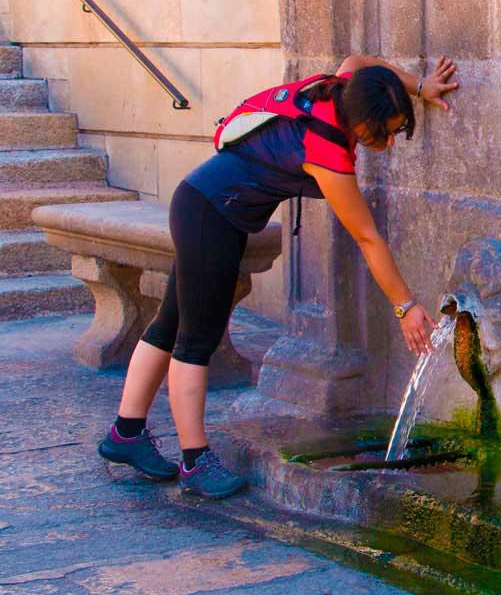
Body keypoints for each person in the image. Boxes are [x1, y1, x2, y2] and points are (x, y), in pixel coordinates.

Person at [97, 55, 460, 498]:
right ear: (362, 122)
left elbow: (361, 59)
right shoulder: (326, 149)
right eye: (385, 133)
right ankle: (195, 461)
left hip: (202, 205)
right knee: (196, 339)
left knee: (172, 321)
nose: (388, 143)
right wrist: (405, 307)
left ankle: (126, 434)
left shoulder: (340, 87)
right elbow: (368, 238)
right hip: (212, 217)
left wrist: (418, 85)